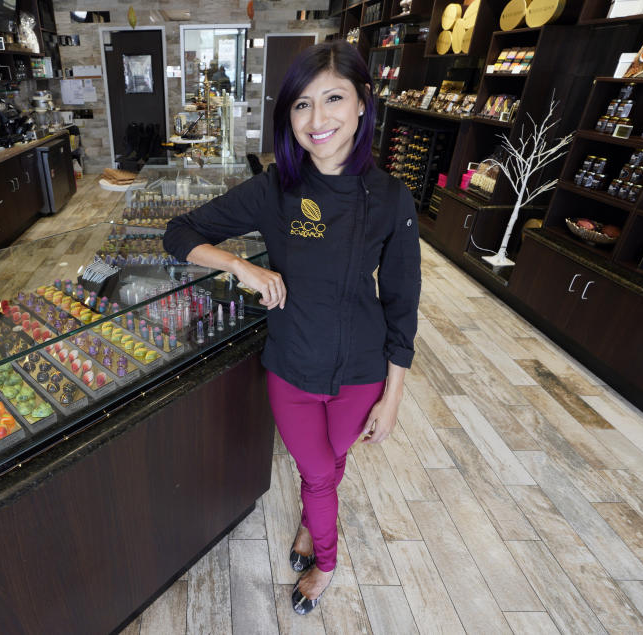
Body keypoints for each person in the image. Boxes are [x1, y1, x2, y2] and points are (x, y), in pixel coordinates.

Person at [162, 41, 421, 615]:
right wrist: (240, 264)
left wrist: (393, 396)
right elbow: (179, 232)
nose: (317, 119)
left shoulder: (390, 198)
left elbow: (403, 304)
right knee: (319, 471)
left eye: (333, 99)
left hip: (361, 369)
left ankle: (310, 529)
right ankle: (326, 560)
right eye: (302, 105)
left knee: (329, 464)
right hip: (293, 365)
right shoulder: (274, 188)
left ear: (361, 105)